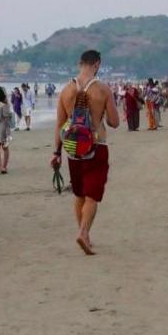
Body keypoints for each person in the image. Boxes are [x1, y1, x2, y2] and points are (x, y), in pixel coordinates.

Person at [51, 50, 118, 255]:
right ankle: (83, 232)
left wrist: (56, 153)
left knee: (79, 193)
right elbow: (114, 122)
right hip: (97, 147)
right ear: (97, 64)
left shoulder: (66, 90)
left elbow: (60, 125)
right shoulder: (103, 89)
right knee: (92, 195)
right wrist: (101, 114)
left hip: (73, 149)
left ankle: (85, 234)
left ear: (80, 63)